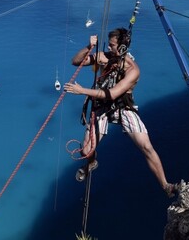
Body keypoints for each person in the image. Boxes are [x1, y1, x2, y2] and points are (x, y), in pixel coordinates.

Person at [64, 28, 178, 197]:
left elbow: (113, 94)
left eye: (112, 45)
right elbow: (76, 61)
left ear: (123, 48)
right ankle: (92, 162)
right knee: (86, 150)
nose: (109, 48)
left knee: (146, 146)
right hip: (102, 104)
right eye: (108, 45)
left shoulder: (132, 70)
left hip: (122, 105)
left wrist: (83, 91)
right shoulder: (105, 57)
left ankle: (165, 185)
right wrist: (89, 46)